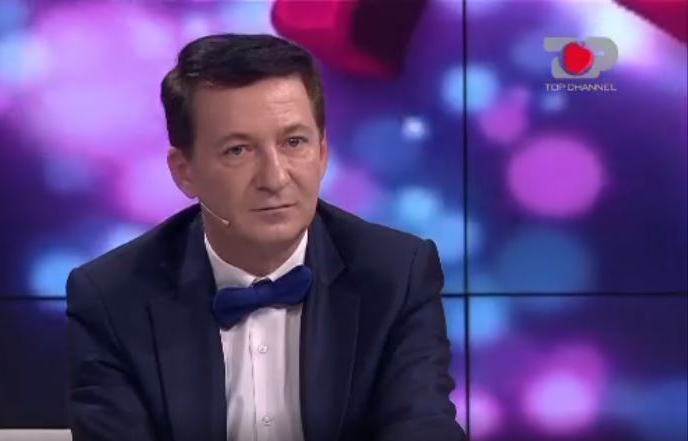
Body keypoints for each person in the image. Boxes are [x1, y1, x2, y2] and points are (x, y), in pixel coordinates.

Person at [66, 33, 465, 441]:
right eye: (238, 150)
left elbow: (422, 429)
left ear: (322, 153)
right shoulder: (112, 297)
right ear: (185, 172)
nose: (274, 178)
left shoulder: (396, 275)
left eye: (294, 142)